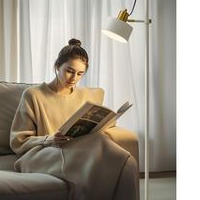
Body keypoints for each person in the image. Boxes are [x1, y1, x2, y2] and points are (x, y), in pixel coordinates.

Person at [10, 38, 139, 200]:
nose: (74, 78)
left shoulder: (86, 96)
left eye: (80, 74)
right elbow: (18, 141)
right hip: (42, 153)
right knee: (99, 151)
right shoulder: (33, 95)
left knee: (128, 164)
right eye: (69, 71)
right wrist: (50, 139)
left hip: (77, 150)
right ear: (57, 66)